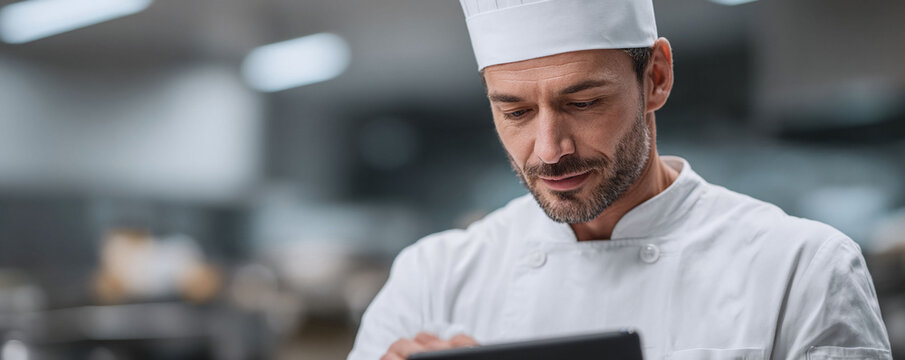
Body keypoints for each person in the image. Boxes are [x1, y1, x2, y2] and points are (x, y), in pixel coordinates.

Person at [348, 0, 892, 359]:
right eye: (514, 112)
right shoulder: (431, 280)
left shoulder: (802, 270)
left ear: (655, 78)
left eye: (583, 102)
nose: (549, 149)